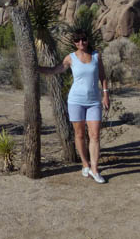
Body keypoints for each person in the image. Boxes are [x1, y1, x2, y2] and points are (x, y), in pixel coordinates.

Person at [38, 31, 109, 183]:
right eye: (77, 40)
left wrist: (105, 94)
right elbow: (55, 70)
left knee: (95, 135)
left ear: (87, 40)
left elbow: (102, 76)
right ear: (74, 43)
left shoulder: (96, 56)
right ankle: (85, 164)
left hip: (94, 102)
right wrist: (37, 68)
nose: (81, 43)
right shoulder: (70, 58)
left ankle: (95, 169)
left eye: (83, 39)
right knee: (79, 134)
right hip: (76, 101)